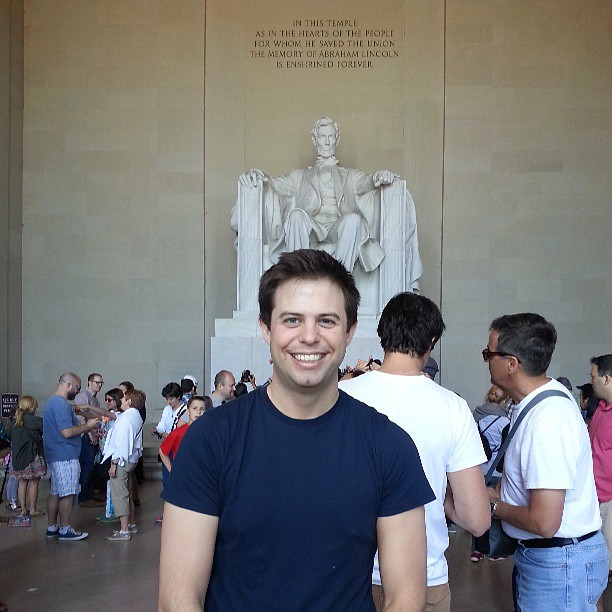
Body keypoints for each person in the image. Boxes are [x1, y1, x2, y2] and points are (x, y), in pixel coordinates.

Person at [159, 249, 434, 611]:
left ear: (350, 332)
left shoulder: (389, 446)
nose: (309, 337)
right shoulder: (211, 440)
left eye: (327, 321)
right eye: (291, 320)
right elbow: (178, 599)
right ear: (265, 328)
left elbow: (405, 599)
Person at [340, 292, 490, 611]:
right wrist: (440, 494)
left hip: (346, 577)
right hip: (423, 577)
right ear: (431, 340)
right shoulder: (452, 408)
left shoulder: (341, 395)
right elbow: (477, 520)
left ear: (383, 334)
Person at [484, 314, 608, 611]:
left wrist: (492, 506)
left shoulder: (547, 420)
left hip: (560, 565)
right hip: (552, 561)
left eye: (489, 353)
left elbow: (545, 521)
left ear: (511, 363)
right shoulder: (535, 403)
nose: (486, 359)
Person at [236, 117, 421, 280]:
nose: (326, 141)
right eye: (322, 137)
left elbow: (368, 181)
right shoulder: (300, 176)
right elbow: (276, 184)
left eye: (330, 137)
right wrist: (259, 175)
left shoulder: (349, 175)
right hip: (312, 227)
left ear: (336, 140)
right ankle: (297, 278)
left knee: (353, 220)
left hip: (336, 227)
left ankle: (341, 282)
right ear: (315, 140)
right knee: (296, 216)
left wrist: (380, 176)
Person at [43, 372, 100, 541]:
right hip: (65, 454)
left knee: (55, 491)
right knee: (68, 493)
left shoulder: (53, 402)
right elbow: (67, 432)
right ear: (68, 385)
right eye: (77, 388)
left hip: (55, 454)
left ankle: (52, 527)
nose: (78, 392)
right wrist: (88, 426)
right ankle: (65, 529)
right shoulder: (60, 405)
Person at [102, 388, 145, 541]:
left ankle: (124, 530)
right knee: (126, 492)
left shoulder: (125, 418)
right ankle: (131, 524)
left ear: (129, 401)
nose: (121, 399)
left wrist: (113, 464)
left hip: (122, 460)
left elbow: (120, 443)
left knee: (119, 494)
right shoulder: (136, 416)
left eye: (124, 398)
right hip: (132, 459)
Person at [588, 354, 612, 612]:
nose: (591, 381)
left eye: (593, 376)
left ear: (606, 378)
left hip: (610, 500)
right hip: (595, 498)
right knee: (599, 565)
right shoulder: (601, 410)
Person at [6, 396, 47, 517]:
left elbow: (8, 436)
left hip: (18, 457)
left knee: (22, 483)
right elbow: (45, 433)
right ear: (31, 406)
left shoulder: (14, 421)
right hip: (32, 455)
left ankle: (23, 509)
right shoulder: (36, 420)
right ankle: (33, 509)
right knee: (34, 482)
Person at [74, 372, 105, 507]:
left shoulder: (95, 399)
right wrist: (90, 434)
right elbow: (81, 417)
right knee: (87, 466)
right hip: (86, 436)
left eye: (101, 383)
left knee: (91, 466)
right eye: (97, 382)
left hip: (93, 434)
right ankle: (84, 496)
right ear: (89, 382)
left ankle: (89, 493)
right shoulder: (83, 397)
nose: (99, 385)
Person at [159, 396, 209, 475]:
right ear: (188, 412)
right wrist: (171, 470)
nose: (198, 412)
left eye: (202, 409)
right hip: (184, 475)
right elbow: (163, 451)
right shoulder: (178, 432)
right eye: (195, 408)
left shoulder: (209, 432)